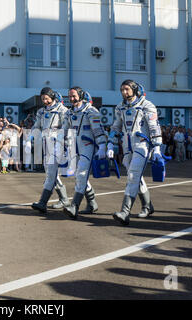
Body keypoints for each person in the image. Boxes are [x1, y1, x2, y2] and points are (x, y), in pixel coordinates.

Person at [107, 80, 163, 226]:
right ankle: (147, 206)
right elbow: (116, 127)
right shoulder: (120, 108)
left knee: (133, 176)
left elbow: (154, 128)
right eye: (122, 90)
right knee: (136, 178)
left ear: (134, 89)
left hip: (142, 146)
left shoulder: (147, 106)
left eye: (126, 89)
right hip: (127, 147)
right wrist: (110, 143)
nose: (124, 92)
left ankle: (125, 212)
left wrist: (157, 148)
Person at [61, 87, 107, 219]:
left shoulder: (91, 111)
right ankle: (92, 203)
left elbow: (98, 130)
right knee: (79, 176)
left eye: (74, 96)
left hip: (88, 146)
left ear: (81, 95)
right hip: (75, 148)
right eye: (70, 96)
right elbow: (64, 130)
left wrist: (102, 146)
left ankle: (74, 206)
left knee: (81, 174)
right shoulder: (69, 113)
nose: (71, 99)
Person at [28, 87, 71, 213]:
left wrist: (64, 142)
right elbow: (37, 125)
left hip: (58, 145)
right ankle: (64, 199)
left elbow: (66, 127)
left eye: (46, 98)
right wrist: (30, 138)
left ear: (52, 97)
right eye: (42, 99)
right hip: (46, 145)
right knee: (50, 174)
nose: (44, 101)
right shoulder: (41, 112)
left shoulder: (62, 110)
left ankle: (43, 202)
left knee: (51, 174)